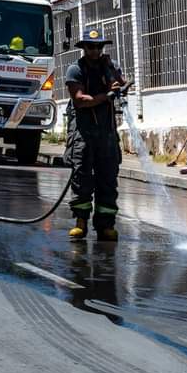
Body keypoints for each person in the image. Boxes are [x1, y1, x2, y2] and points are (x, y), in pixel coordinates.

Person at [64, 29, 130, 242]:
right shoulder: (76, 70)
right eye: (91, 47)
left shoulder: (109, 67)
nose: (95, 51)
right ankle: (81, 222)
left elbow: (123, 84)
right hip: (83, 133)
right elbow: (80, 100)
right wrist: (106, 96)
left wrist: (116, 77)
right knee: (82, 178)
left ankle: (106, 225)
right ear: (84, 48)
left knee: (108, 180)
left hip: (107, 134)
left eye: (99, 47)